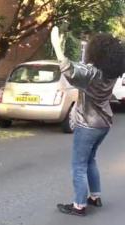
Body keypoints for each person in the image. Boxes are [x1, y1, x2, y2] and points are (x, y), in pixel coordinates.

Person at [51, 26, 125, 216]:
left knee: (79, 164)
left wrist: (57, 47)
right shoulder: (110, 73)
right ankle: (95, 196)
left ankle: (79, 205)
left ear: (95, 51)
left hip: (88, 125)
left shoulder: (91, 73)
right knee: (90, 160)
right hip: (104, 123)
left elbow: (68, 69)